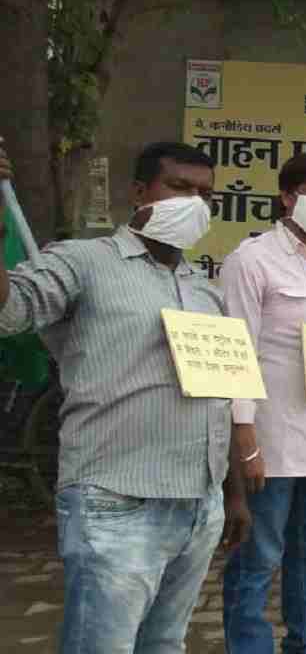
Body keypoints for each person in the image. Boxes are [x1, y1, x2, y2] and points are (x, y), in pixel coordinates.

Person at [0, 140, 250, 653]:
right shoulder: (83, 261)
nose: (193, 203)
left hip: (198, 506)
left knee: (165, 643)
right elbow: (12, 309)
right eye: (178, 187)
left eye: (205, 194)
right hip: (116, 503)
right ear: (139, 192)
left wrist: (233, 494)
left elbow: (222, 395)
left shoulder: (203, 288)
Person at [222, 153, 306, 652]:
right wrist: (245, 440)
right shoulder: (250, 261)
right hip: (272, 440)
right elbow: (236, 355)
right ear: (286, 197)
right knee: (257, 556)